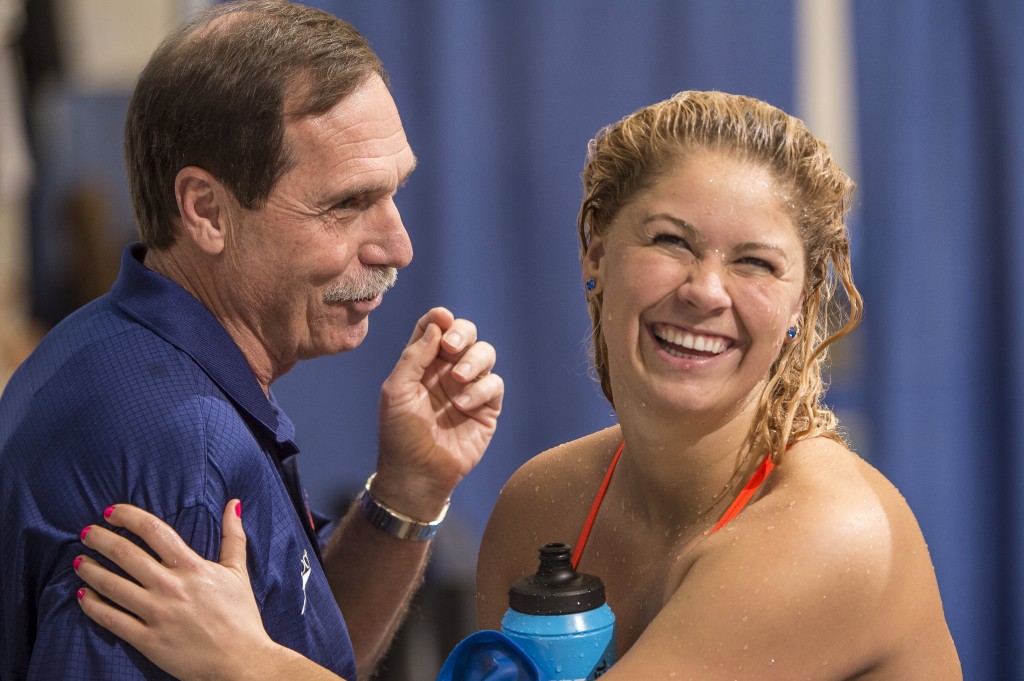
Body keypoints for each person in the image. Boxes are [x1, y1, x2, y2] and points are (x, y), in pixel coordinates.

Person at [72, 90, 961, 680]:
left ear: (804, 304)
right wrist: (408, 496)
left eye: (756, 262)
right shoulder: (547, 503)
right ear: (595, 253)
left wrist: (250, 663)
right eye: (670, 241)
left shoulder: (834, 534)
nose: (705, 289)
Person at [0, 2, 503, 680]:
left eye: (395, 193)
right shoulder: (178, 458)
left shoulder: (119, 348)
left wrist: (407, 492)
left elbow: (298, 647)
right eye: (347, 204)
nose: (398, 246)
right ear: (207, 210)